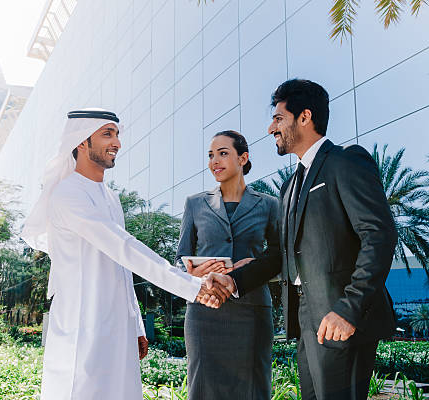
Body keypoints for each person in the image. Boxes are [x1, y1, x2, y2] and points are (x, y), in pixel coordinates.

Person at [21, 108, 233, 400]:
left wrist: (134, 324)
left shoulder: (109, 196)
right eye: (107, 134)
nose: (117, 142)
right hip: (83, 328)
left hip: (117, 328)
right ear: (82, 142)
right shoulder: (67, 193)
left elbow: (122, 265)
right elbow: (123, 246)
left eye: (117, 134)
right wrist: (192, 286)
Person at [206, 79, 398, 400]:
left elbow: (379, 236)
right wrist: (233, 280)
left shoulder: (346, 161)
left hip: (342, 317)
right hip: (306, 320)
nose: (270, 128)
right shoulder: (290, 186)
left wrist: (349, 308)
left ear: (305, 117)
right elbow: (279, 255)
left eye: (278, 118)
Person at [175, 130, 279, 399]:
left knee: (253, 389)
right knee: (203, 388)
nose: (214, 161)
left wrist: (252, 264)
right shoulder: (195, 204)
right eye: (211, 155)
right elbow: (179, 260)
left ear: (243, 158)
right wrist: (192, 272)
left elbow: (280, 256)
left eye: (223, 153)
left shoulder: (269, 205)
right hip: (204, 311)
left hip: (252, 311)